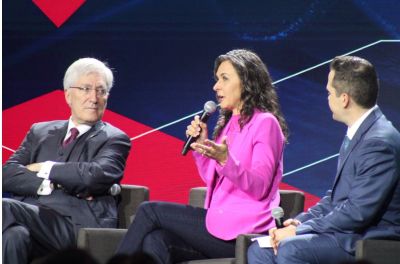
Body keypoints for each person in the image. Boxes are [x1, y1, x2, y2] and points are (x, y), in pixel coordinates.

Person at [115, 49, 288, 263]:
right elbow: (212, 179)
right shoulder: (228, 124)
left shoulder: (265, 123)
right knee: (156, 240)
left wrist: (226, 160)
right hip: (218, 224)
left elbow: (260, 186)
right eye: (216, 79)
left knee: (150, 211)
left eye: (224, 78)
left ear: (247, 81)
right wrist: (201, 147)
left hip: (244, 232)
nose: (216, 87)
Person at [247, 55, 400, 264]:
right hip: (345, 233)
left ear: (344, 98)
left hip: (366, 238)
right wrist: (300, 222)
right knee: (259, 250)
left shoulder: (378, 142)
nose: (327, 97)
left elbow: (357, 212)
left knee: (291, 250)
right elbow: (336, 198)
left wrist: (301, 230)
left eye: (329, 92)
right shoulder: (360, 132)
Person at [2, 58, 131, 264]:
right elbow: (6, 174)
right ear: (68, 95)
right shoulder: (40, 131)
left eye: (101, 91)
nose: (94, 98)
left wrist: (45, 168)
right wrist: (49, 183)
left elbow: (93, 177)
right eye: (86, 89)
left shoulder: (115, 138)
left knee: (3, 207)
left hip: (75, 225)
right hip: (31, 219)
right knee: (13, 237)